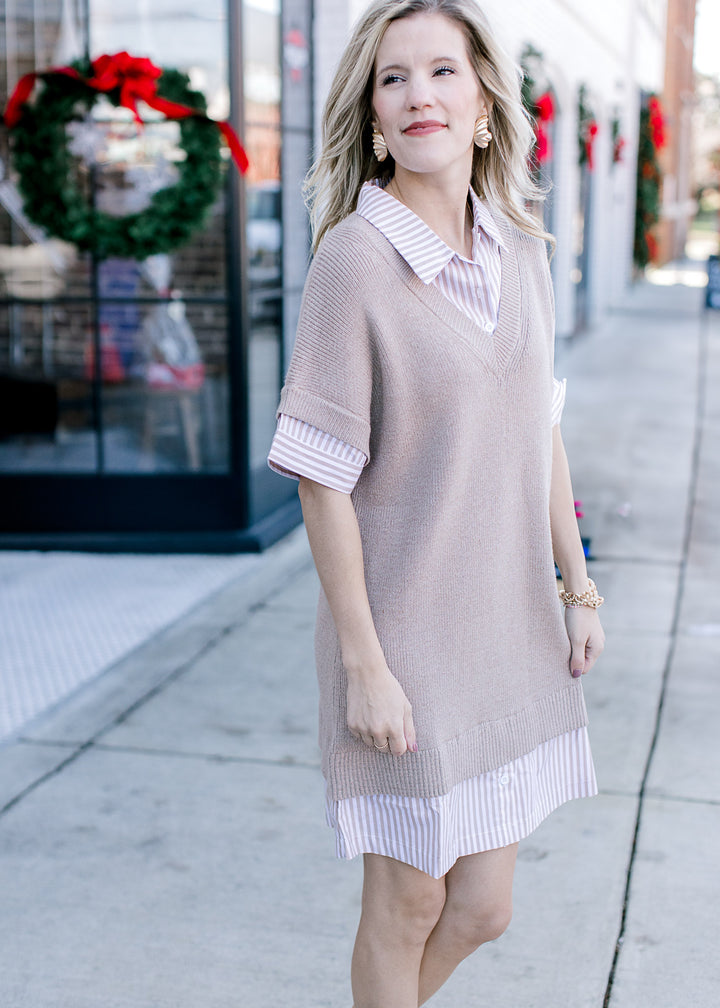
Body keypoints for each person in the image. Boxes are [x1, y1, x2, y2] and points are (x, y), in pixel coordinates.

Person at [267, 2, 605, 1005]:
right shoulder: (355, 265)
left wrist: (576, 584)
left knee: (485, 907)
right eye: (393, 78)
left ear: (485, 108)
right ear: (373, 120)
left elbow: (537, 426)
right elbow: (322, 480)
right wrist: (365, 667)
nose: (419, 94)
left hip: (506, 627)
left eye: (442, 72)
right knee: (407, 905)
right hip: (405, 642)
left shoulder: (521, 250)